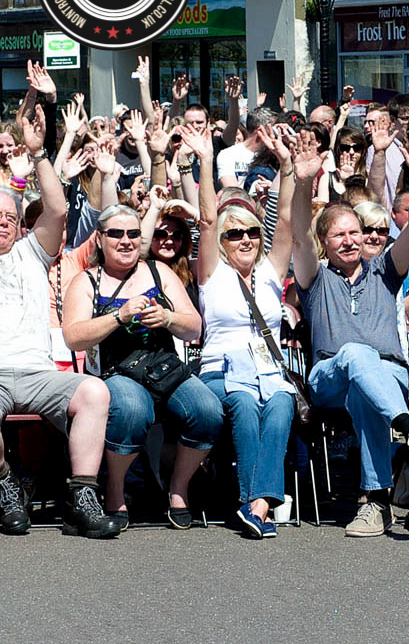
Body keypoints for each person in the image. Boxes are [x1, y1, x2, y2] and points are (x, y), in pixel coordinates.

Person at [289, 123, 409, 537]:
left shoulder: (385, 270)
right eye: (339, 234)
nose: (350, 240)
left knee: (365, 384)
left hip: (386, 375)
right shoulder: (315, 278)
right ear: (326, 241)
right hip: (328, 376)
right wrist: (304, 185)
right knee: (356, 356)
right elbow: (298, 238)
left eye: (355, 232)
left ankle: (374, 502)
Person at [0, 105, 121, 538]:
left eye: (11, 218)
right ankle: (4, 485)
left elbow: (54, 209)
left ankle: (82, 497)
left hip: (36, 372)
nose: (3, 223)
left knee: (93, 391)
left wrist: (38, 155)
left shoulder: (32, 252)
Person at [62, 204, 219, 530]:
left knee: (208, 410)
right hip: (116, 372)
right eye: (116, 234)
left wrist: (168, 318)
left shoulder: (160, 272)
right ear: (100, 239)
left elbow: (194, 327)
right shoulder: (86, 281)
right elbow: (73, 337)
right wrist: (119, 316)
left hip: (163, 368)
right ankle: (115, 489)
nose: (126, 240)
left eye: (133, 233)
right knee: (133, 409)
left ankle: (178, 488)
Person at [188, 123, 298, 538]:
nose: (246, 239)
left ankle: (257, 505)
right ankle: (259, 502)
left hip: (268, 372)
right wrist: (204, 159)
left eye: (252, 231)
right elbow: (206, 220)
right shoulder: (212, 274)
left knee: (282, 405)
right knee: (246, 405)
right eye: (235, 234)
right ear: (224, 241)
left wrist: (286, 166)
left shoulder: (271, 273)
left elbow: (285, 221)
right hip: (220, 371)